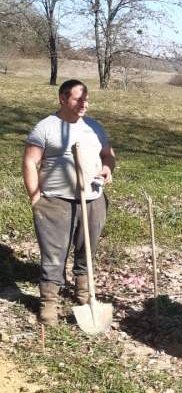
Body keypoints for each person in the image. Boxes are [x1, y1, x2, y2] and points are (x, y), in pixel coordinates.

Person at [22, 79, 116, 326]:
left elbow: (108, 154)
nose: (84, 103)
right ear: (62, 99)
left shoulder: (94, 127)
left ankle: (84, 296)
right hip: (55, 201)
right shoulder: (46, 128)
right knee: (54, 255)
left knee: (87, 250)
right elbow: (30, 161)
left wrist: (107, 167)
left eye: (86, 98)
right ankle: (48, 305)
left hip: (93, 199)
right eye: (78, 99)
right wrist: (35, 196)